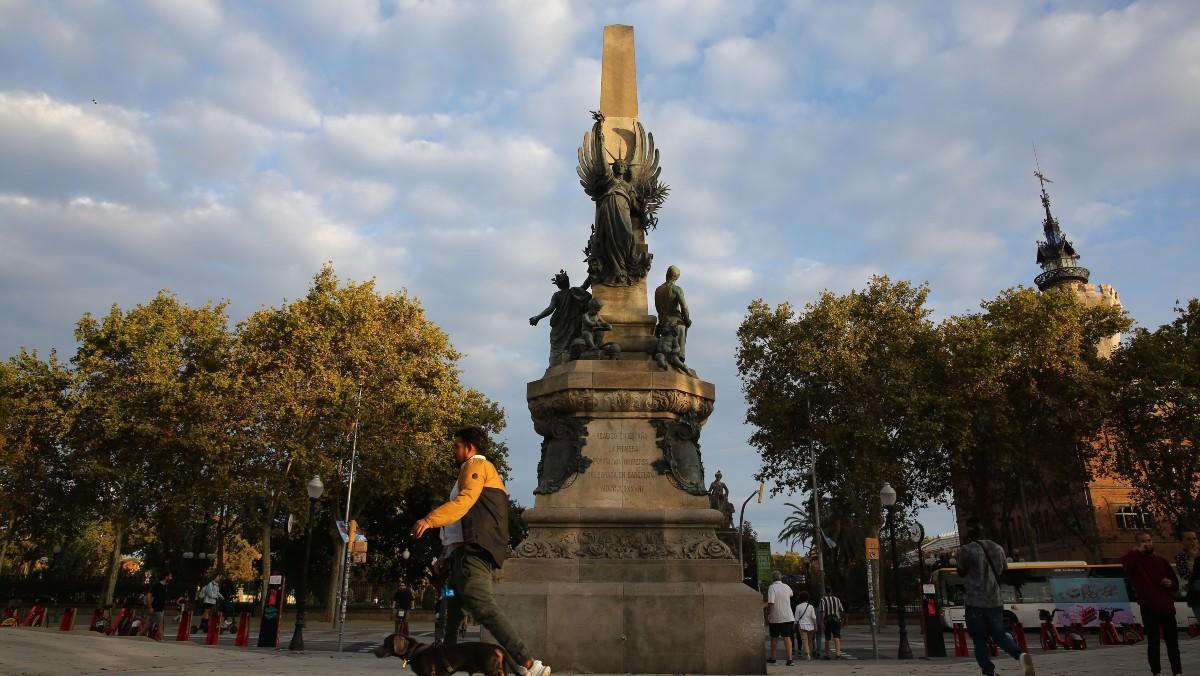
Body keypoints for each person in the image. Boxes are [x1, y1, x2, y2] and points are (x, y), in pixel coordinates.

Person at [411, 427, 551, 676]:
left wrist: (429, 520)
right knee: (451, 609)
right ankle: (443, 665)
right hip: (459, 558)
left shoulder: (476, 466)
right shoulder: (468, 470)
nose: (453, 450)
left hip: (473, 555)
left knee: (484, 606)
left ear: (470, 447)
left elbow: (465, 502)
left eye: (457, 445)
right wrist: (446, 554)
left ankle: (529, 663)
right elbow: (459, 523)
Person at [956, 518, 1035, 676]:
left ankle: (988, 671)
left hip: (975, 601)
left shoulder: (966, 550)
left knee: (979, 638)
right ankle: (1019, 654)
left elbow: (961, 572)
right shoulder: (998, 548)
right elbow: (1003, 571)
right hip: (995, 600)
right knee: (999, 635)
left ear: (969, 533)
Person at [1122, 531, 1182, 676]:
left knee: (1172, 642)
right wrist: (1136, 552)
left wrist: (1169, 583)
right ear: (1137, 544)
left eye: (1149, 540)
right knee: (1153, 642)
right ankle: (1156, 671)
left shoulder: (1161, 561)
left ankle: (1177, 671)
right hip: (1148, 606)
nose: (1147, 544)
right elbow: (1126, 563)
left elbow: (1175, 583)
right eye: (1143, 541)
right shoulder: (1135, 561)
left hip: (1166, 606)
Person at [764, 571, 795, 665]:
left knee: (774, 637)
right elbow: (791, 594)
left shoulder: (772, 587)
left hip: (776, 617)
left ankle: (773, 657)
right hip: (788, 616)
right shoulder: (787, 587)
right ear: (780, 578)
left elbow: (771, 602)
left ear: (772, 578)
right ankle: (789, 659)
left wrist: (768, 614)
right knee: (787, 637)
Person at [1176, 525, 1200, 629]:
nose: (1193, 541)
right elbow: (1186, 576)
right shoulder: (1181, 557)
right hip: (1197, 597)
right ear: (1182, 541)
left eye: (1194, 538)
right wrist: (1192, 559)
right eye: (1188, 539)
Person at [819, 587, 845, 659]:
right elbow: (841, 610)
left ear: (825, 592)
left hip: (827, 620)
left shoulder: (823, 599)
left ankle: (827, 655)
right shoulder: (837, 599)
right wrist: (842, 620)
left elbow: (823, 611)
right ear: (831, 591)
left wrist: (822, 621)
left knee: (827, 637)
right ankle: (838, 654)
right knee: (837, 636)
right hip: (836, 619)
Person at [146, 572, 171, 639]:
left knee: (148, 625)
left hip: (160, 608)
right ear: (166, 577)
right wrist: (150, 607)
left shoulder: (165, 586)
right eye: (170, 576)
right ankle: (162, 640)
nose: (171, 578)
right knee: (160, 625)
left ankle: (138, 636)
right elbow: (149, 596)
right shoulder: (157, 585)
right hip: (156, 608)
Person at [793, 589, 817, 660]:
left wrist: (794, 626)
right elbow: (813, 617)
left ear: (800, 598)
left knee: (804, 640)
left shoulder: (798, 607)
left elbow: (796, 618)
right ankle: (810, 653)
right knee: (810, 640)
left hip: (802, 625)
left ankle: (807, 654)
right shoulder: (811, 606)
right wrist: (815, 626)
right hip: (811, 625)